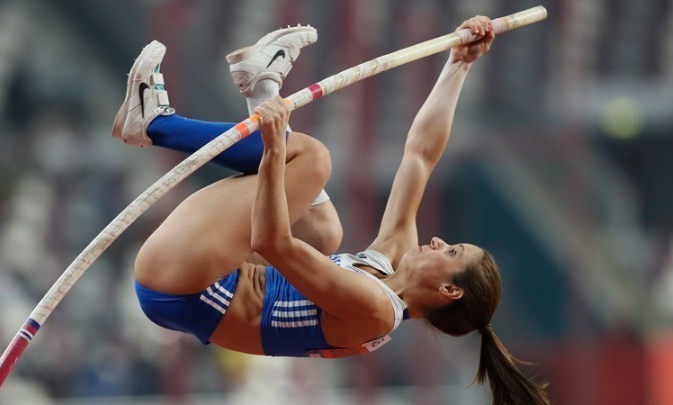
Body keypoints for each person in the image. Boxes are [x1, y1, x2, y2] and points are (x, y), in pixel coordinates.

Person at [112, 16, 549, 405]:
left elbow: (271, 242)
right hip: (211, 279)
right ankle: (260, 85)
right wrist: (459, 64)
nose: (438, 241)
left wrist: (274, 146)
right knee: (324, 231)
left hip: (180, 285)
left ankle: (153, 123)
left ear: (449, 292)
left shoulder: (375, 311)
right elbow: (420, 156)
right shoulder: (388, 263)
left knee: (312, 159)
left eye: (451, 252)